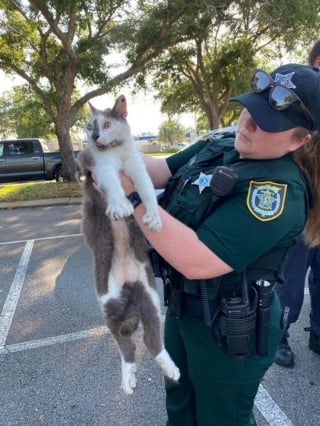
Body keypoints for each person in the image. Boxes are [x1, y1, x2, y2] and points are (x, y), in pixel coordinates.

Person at [120, 63, 320, 425]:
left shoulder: (278, 193)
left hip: (230, 328)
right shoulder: (223, 143)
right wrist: (116, 149)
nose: (248, 123)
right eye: (250, 108)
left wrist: (133, 199)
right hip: (185, 308)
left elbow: (199, 259)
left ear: (300, 140)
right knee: (180, 400)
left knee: (221, 417)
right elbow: (162, 170)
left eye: (267, 123)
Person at [275, 40, 320, 368]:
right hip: (303, 202)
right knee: (290, 276)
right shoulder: (299, 99)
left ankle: (318, 331)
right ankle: (279, 334)